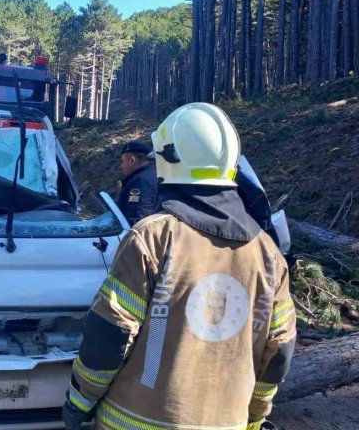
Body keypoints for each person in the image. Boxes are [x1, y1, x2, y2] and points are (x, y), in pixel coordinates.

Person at [62, 103, 296, 430]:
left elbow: (110, 335)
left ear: (168, 160)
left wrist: (79, 401)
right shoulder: (268, 253)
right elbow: (280, 349)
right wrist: (253, 414)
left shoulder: (153, 237)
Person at [116, 141, 158, 226]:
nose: (121, 166)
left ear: (132, 160)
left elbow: (137, 218)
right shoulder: (154, 174)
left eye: (122, 161)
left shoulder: (140, 182)